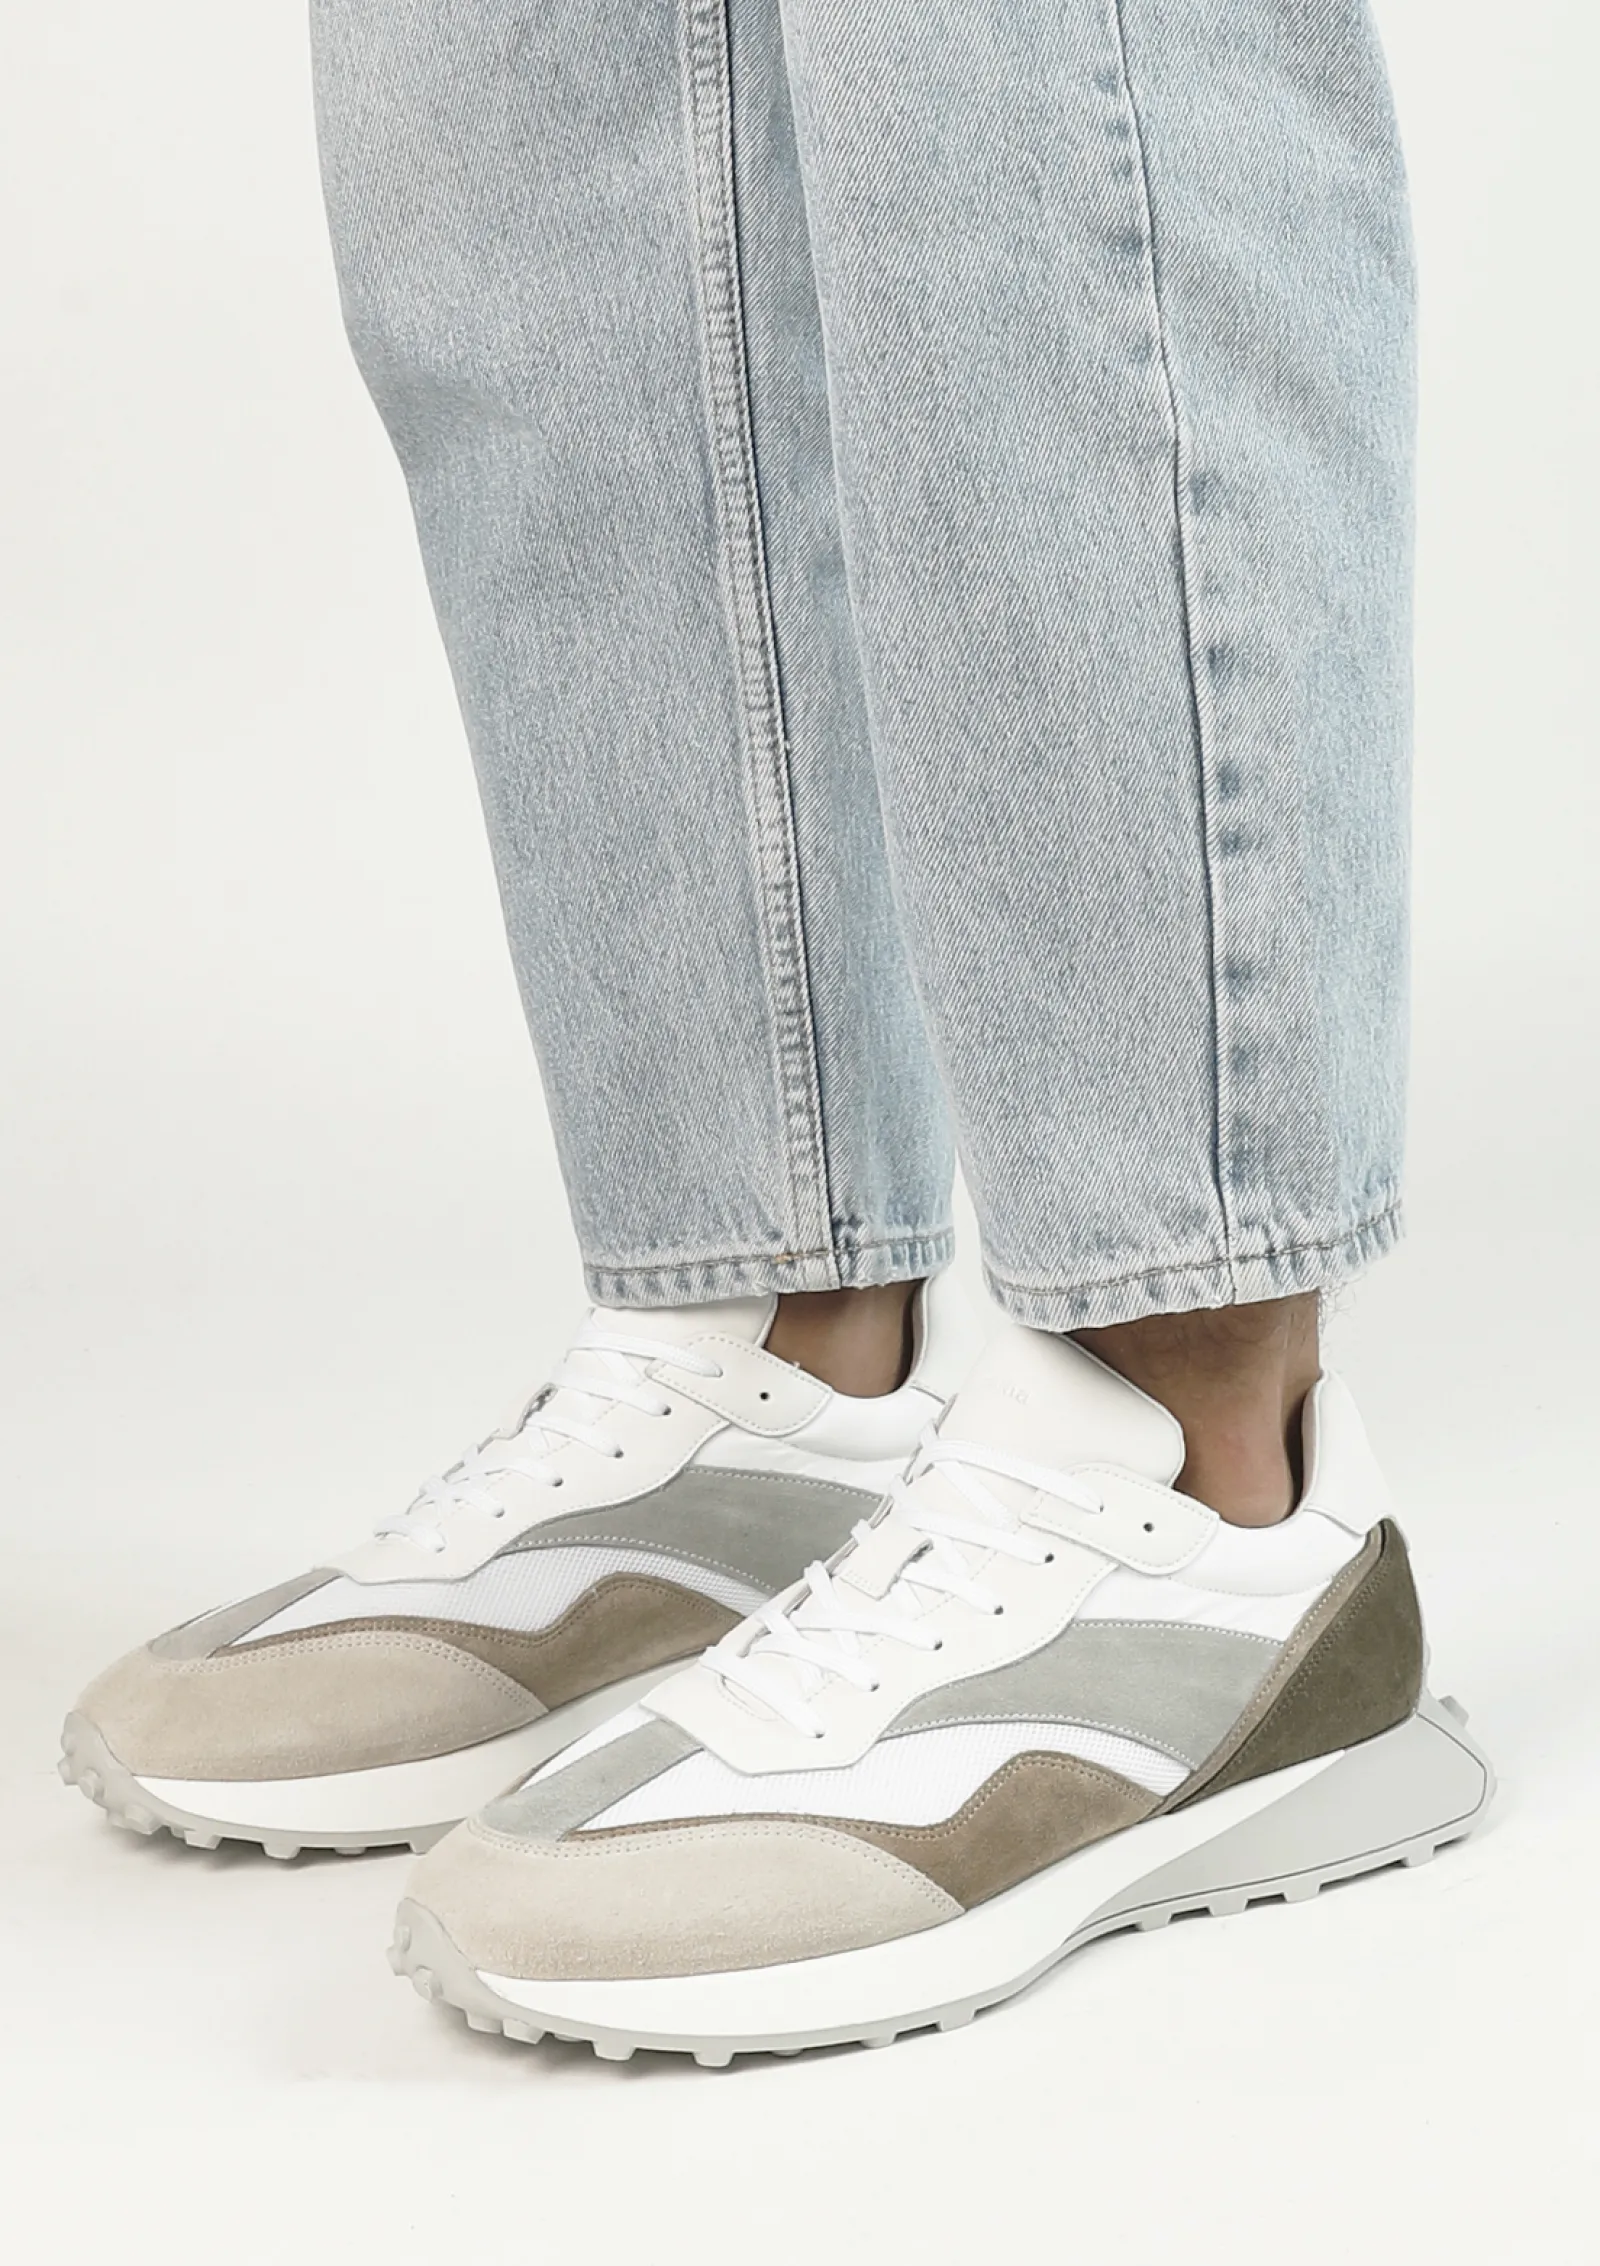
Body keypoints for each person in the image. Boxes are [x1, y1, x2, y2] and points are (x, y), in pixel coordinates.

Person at [60, 0, 1493, 2060]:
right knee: (513, 108)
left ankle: (1203, 1495)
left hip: (1208, 1476)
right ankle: (764, 1375)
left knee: (1023, 72)